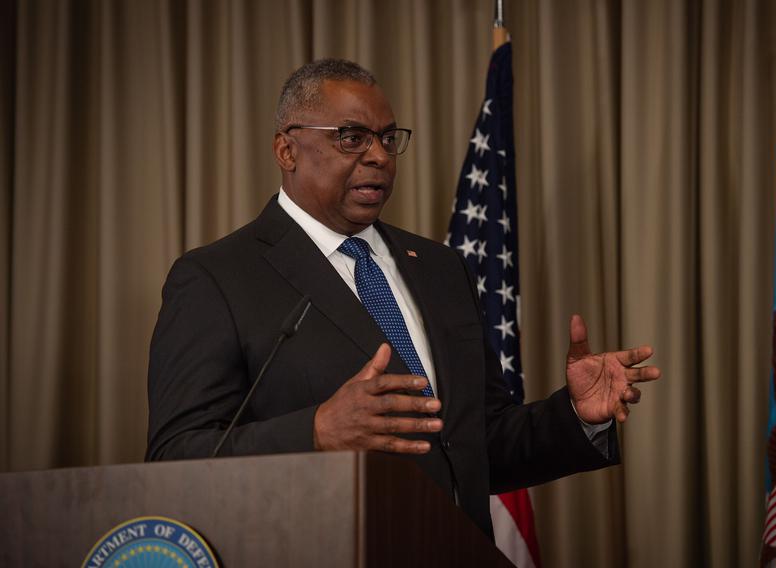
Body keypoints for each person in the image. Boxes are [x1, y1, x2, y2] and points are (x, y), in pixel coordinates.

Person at [146, 59, 661, 538]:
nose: (378, 156)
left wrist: (574, 414)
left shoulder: (440, 268)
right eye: (352, 137)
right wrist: (316, 431)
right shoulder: (217, 277)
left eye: (388, 139)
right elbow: (175, 458)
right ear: (287, 149)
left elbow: (474, 443)